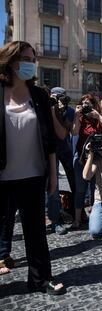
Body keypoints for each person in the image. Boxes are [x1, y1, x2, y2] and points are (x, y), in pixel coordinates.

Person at [0, 41, 65, 294]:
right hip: (2, 175)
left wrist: (51, 174)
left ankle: (40, 279)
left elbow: (49, 138)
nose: (31, 63)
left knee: (35, 231)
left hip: (33, 174)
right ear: (11, 61)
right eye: (26, 58)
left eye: (33, 59)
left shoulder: (39, 95)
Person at [72, 94, 102, 228]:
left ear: (94, 105)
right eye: (83, 103)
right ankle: (77, 219)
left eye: (88, 103)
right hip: (82, 157)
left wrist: (99, 116)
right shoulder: (80, 116)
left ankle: (97, 218)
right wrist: (76, 116)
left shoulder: (98, 115)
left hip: (97, 157)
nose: (86, 105)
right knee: (80, 190)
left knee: (96, 188)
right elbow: (74, 132)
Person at [46, 87, 75, 235]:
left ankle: (77, 212)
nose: (57, 100)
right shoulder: (47, 108)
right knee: (53, 185)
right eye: (54, 96)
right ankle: (55, 219)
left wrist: (60, 112)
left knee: (74, 180)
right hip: (51, 149)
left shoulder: (69, 110)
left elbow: (66, 130)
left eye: (60, 97)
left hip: (65, 148)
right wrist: (53, 109)